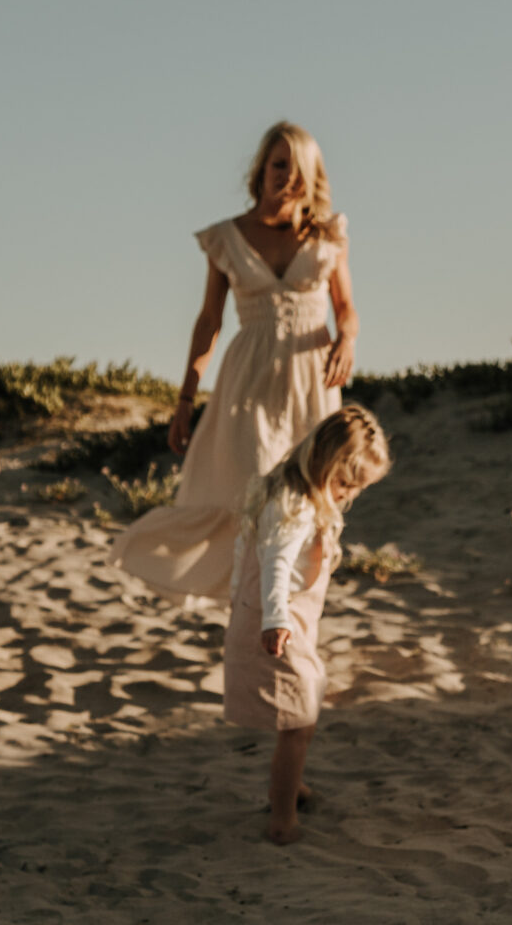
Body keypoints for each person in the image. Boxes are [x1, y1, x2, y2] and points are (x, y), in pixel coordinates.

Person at [112, 121, 358, 605]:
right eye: (279, 163)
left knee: (312, 498)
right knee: (255, 492)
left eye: (299, 168)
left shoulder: (329, 236)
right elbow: (208, 321)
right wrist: (186, 398)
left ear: (314, 177)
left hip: (312, 377)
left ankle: (294, 612)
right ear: (261, 168)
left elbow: (346, 307)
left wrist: (347, 337)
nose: (287, 176)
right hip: (249, 379)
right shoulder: (228, 237)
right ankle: (255, 606)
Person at [224, 404, 390, 843]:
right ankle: (282, 820)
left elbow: (245, 558)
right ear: (324, 464)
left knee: (304, 708)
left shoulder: (295, 491)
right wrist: (274, 620)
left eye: (356, 490)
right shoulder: (292, 506)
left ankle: (290, 785)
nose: (346, 495)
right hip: (276, 623)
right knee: (295, 722)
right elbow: (274, 564)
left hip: (285, 619)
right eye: (343, 484)